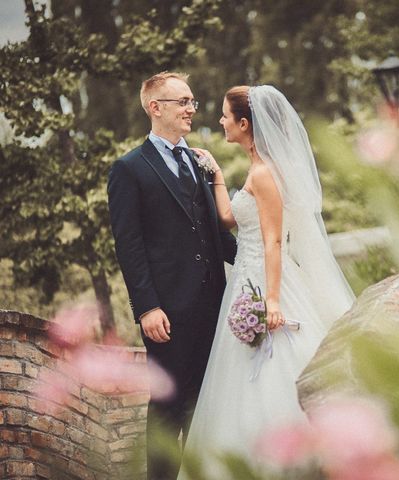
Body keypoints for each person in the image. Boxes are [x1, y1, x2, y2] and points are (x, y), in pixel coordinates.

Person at [177, 85, 355, 477]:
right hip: (245, 279)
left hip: (266, 283)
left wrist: (272, 301)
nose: (220, 121)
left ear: (244, 124)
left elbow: (274, 240)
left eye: (226, 116)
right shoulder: (254, 172)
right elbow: (231, 220)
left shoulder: (265, 174)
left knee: (275, 370)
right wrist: (217, 175)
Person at [107, 71, 237, 480]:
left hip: (214, 305)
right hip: (167, 314)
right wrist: (147, 307)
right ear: (155, 107)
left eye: (193, 101)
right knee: (168, 408)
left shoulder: (199, 161)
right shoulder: (129, 169)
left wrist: (259, 258)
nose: (191, 109)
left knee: (209, 405)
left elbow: (215, 231)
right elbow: (130, 245)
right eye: (182, 101)